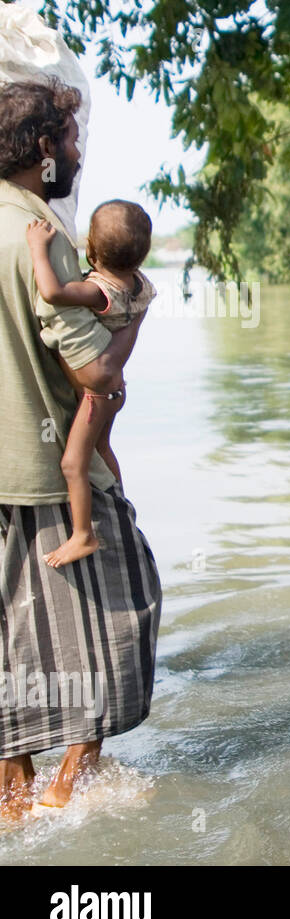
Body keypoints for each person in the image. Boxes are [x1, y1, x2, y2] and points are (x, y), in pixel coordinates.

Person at [0, 80, 162, 821]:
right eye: (69, 138)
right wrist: (124, 345)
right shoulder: (45, 238)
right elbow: (96, 371)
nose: (76, 150)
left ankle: (13, 797)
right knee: (123, 616)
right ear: (42, 148)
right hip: (46, 471)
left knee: (12, 635)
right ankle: (69, 794)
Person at [25, 200, 155, 568]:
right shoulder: (139, 286)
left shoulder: (99, 292)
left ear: (91, 249)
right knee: (101, 447)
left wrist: (37, 248)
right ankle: (117, 499)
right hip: (114, 392)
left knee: (73, 463)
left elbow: (51, 292)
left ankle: (83, 535)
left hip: (97, 396)